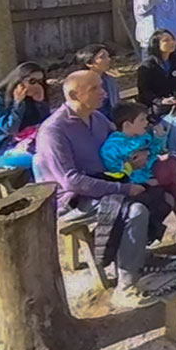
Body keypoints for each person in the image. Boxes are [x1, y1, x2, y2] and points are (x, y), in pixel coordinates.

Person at [33, 71, 160, 295]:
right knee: (136, 211)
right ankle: (128, 282)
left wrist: (139, 154)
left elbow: (122, 142)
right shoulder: (54, 131)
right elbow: (71, 181)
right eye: (94, 89)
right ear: (74, 94)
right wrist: (123, 187)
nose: (103, 92)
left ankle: (134, 252)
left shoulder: (97, 117)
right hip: (73, 199)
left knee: (162, 192)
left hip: (105, 182)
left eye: (101, 86)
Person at [100, 102, 176, 237]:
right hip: (135, 183)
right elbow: (118, 173)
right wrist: (144, 182)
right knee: (159, 200)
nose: (146, 122)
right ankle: (146, 236)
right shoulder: (112, 147)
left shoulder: (142, 135)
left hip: (153, 175)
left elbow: (155, 150)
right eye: (142, 119)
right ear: (127, 125)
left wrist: (159, 138)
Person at [0, 63, 49, 170]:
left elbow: (47, 125)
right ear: (19, 81)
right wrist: (18, 103)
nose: (36, 86)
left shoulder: (33, 99)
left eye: (40, 82)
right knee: (40, 162)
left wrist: (41, 103)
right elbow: (9, 128)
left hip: (26, 144)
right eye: (32, 81)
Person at [76, 44, 119, 113]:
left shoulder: (110, 80)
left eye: (108, 56)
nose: (108, 59)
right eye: (103, 57)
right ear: (89, 63)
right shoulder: (82, 85)